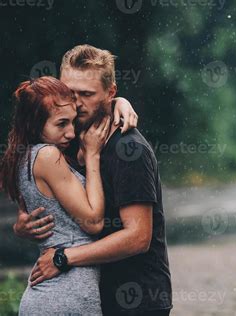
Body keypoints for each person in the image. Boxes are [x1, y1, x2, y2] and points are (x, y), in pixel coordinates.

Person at [14, 44, 173, 316]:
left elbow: (138, 237)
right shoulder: (68, 137)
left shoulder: (128, 151)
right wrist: (22, 225)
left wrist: (64, 257)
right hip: (89, 295)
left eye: (86, 94)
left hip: (135, 297)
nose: (76, 102)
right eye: (69, 92)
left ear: (111, 93)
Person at [0, 76, 112, 314]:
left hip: (54, 296)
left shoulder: (23, 156)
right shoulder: (48, 156)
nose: (71, 133)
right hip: (64, 296)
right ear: (34, 125)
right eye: (61, 124)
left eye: (72, 122)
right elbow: (93, 222)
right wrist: (93, 156)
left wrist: (120, 101)